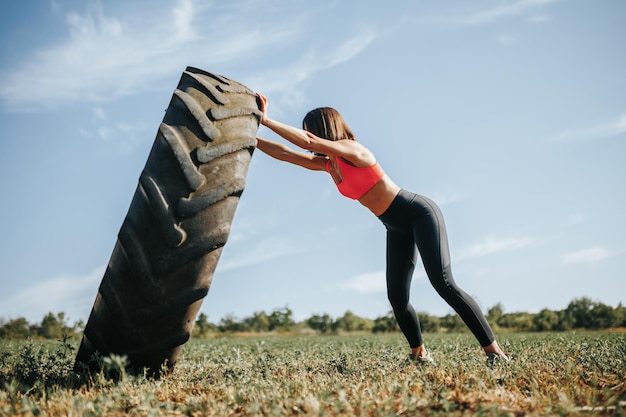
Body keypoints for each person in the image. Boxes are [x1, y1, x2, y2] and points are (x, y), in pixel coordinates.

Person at [254, 93, 509, 365]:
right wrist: (248, 137)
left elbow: (308, 143)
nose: (307, 137)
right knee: (397, 297)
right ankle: (419, 354)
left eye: (310, 130)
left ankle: (494, 353)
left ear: (324, 130)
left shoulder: (355, 150)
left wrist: (265, 120)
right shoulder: (330, 165)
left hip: (418, 213)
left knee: (444, 284)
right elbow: (284, 154)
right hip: (394, 225)